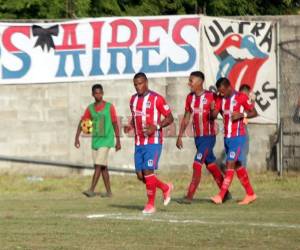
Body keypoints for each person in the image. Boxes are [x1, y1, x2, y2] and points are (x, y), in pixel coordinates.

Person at [176, 71, 230, 204]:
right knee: (211, 164)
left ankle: (189, 196)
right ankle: (226, 193)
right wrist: (179, 136)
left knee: (197, 164)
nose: (189, 84)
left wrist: (213, 111)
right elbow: (187, 117)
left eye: (191, 81)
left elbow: (214, 116)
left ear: (200, 82)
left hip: (208, 137)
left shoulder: (212, 96)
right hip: (198, 138)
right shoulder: (190, 98)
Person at [124, 72, 174, 214]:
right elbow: (135, 118)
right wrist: (130, 126)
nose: (138, 87)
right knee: (141, 176)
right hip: (139, 142)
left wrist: (156, 126)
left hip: (153, 141)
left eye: (140, 83)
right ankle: (165, 188)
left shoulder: (157, 99)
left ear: (146, 82)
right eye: (135, 84)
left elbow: (170, 118)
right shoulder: (133, 100)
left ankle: (150, 204)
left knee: (148, 171)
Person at [210, 77, 257, 205]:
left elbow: (254, 112)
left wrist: (243, 115)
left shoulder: (241, 97)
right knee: (237, 165)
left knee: (230, 163)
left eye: (223, 91)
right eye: (220, 91)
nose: (221, 93)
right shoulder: (220, 98)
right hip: (227, 138)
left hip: (238, 136)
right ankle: (250, 194)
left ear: (229, 87)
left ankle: (221, 195)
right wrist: (213, 108)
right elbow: (213, 116)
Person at [74, 84, 121, 198]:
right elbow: (83, 122)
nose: (98, 95)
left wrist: (118, 140)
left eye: (100, 93)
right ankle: (109, 192)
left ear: (103, 93)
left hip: (106, 140)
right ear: (92, 94)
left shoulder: (109, 107)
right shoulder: (90, 108)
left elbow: (115, 123)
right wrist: (76, 137)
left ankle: (91, 189)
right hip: (95, 141)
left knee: (98, 165)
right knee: (102, 167)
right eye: (96, 93)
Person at [238, 84, 256, 167]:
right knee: (243, 151)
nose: (249, 94)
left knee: (237, 150)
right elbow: (252, 112)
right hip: (240, 127)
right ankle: (242, 171)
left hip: (238, 127)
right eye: (248, 92)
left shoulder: (236, 98)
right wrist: (252, 101)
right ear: (246, 92)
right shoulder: (242, 99)